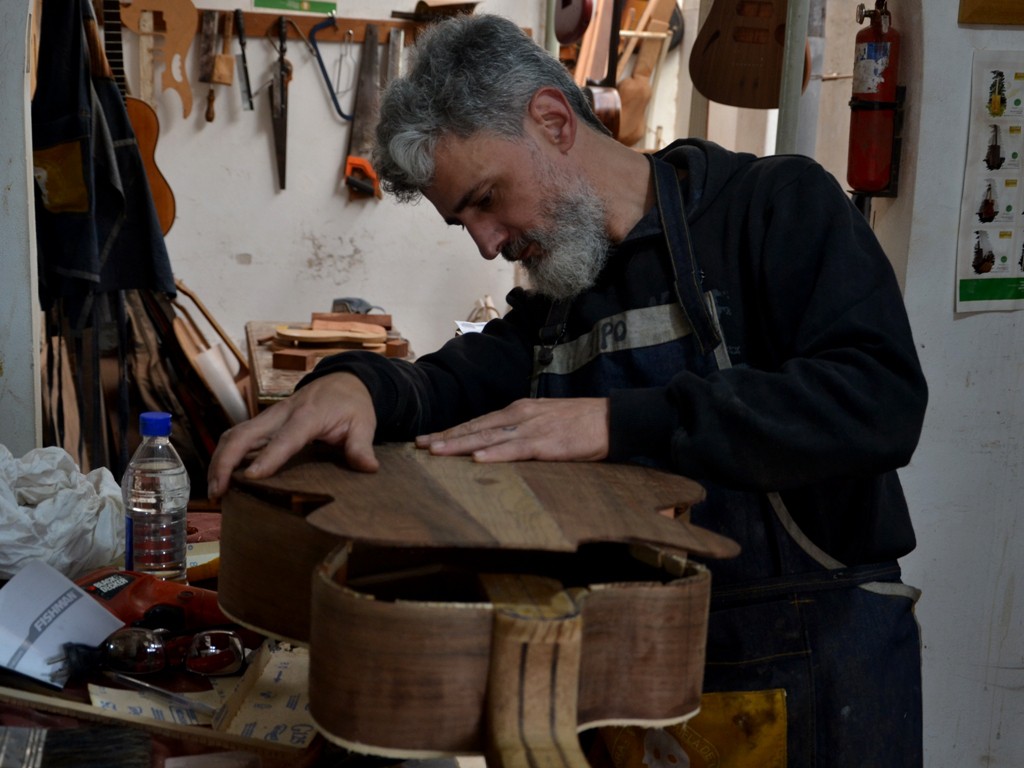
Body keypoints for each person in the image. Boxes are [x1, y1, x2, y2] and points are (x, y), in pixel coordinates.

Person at [208, 12, 927, 767]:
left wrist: (620, 423)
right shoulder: (565, 300)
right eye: (464, 223)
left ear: (552, 121)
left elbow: (877, 401)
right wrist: (356, 385)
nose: (487, 242)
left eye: (486, 198)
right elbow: (453, 381)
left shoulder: (775, 207)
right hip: (622, 688)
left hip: (809, 677)